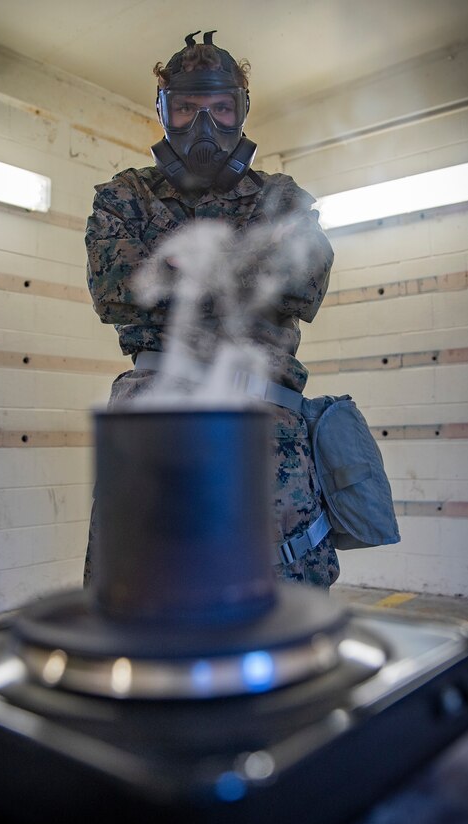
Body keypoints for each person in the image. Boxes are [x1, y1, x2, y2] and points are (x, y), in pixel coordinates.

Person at [83, 31, 340, 589]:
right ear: (164, 114)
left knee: (283, 594)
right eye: (187, 108)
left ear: (242, 112)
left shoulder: (281, 196)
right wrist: (250, 264)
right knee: (136, 585)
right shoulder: (125, 194)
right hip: (155, 411)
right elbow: (113, 287)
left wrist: (171, 268)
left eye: (221, 108)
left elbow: (305, 283)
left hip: (264, 421)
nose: (206, 126)